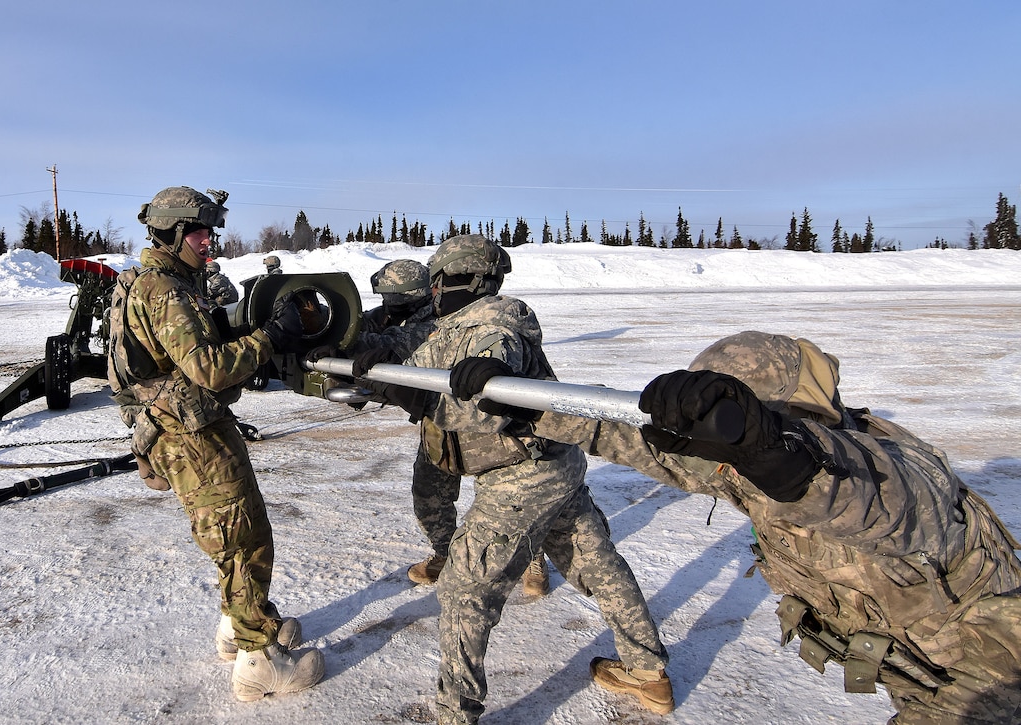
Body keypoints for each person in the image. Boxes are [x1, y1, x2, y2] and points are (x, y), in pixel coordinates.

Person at [531, 330, 1021, 724]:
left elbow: (867, 497)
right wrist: (523, 399)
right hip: (916, 669)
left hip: (993, 680)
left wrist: (776, 450)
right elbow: (620, 435)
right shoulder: (747, 469)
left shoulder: (895, 469)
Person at [369, 235, 673, 723]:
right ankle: (647, 670)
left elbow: (493, 383)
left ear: (462, 280)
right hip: (555, 465)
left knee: (465, 590)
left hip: (520, 476)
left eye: (441, 281)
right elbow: (419, 364)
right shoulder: (453, 325)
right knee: (597, 566)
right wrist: (376, 368)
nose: (435, 291)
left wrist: (462, 384)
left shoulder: (494, 322)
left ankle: (455, 712)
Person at [106, 186, 324, 702]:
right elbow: (207, 369)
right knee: (244, 538)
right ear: (177, 232)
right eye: (202, 232)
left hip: (180, 429)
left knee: (230, 534)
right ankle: (259, 663)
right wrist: (271, 335)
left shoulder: (160, 280)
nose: (211, 241)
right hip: (193, 436)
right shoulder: (165, 290)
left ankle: (237, 627)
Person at [338, 259, 550, 596]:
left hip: (482, 425)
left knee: (514, 505)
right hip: (440, 425)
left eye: (394, 297)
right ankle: (445, 553)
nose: (388, 304)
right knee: (428, 495)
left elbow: (401, 341)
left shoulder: (441, 319)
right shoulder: (404, 314)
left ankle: (532, 557)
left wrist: (365, 342)